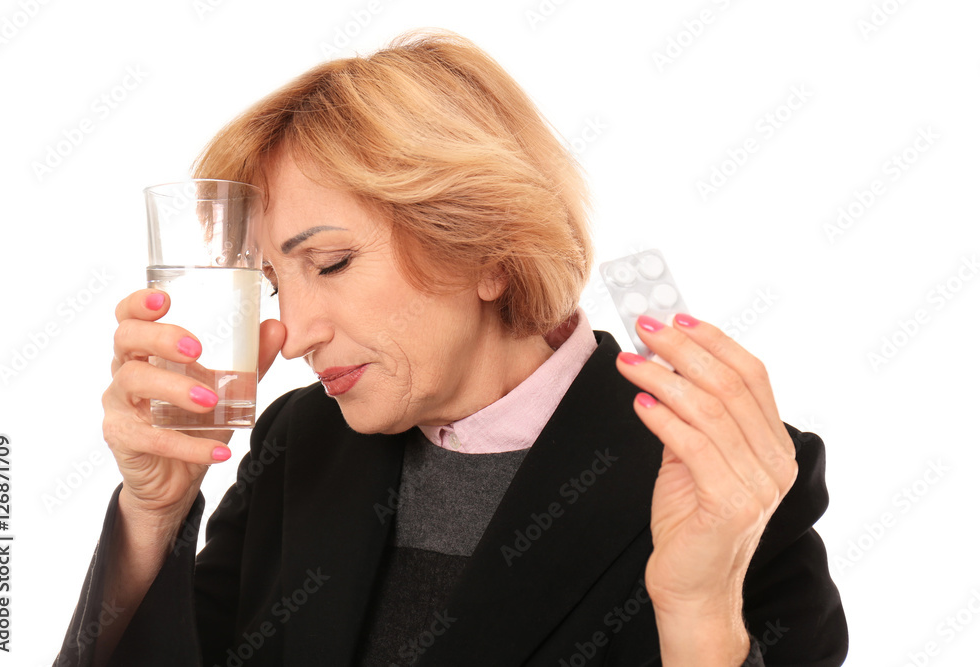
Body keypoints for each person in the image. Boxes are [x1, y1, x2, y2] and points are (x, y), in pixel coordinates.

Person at [54, 29, 847, 667]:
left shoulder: (723, 476)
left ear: (490, 250)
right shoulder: (300, 443)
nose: (291, 334)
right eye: (271, 282)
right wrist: (151, 518)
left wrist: (700, 614)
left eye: (330, 263)